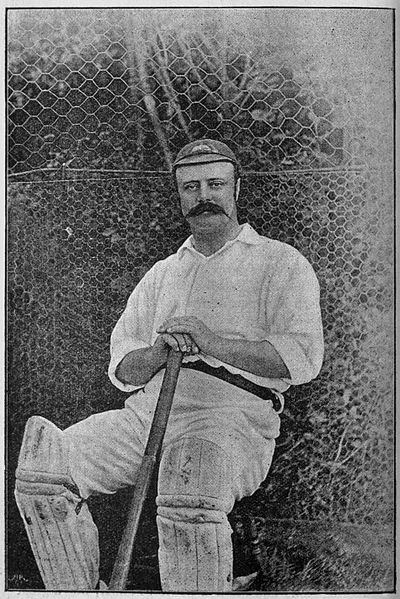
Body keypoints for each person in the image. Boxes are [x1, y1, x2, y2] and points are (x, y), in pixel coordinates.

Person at [15, 139, 324, 592]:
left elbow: (301, 358)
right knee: (45, 469)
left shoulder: (280, 263)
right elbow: (123, 371)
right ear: (179, 196)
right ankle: (77, 593)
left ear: (236, 189)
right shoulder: (162, 273)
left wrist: (210, 340)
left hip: (231, 419)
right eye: (190, 187)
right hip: (146, 415)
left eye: (215, 184)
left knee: (191, 484)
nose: (203, 196)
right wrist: (159, 351)